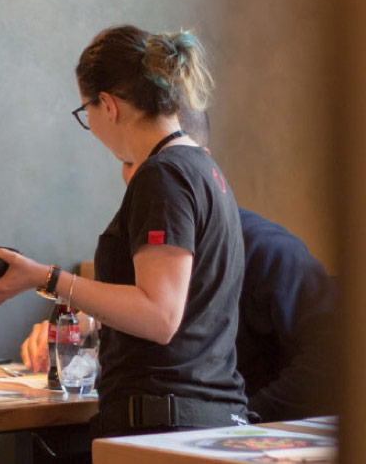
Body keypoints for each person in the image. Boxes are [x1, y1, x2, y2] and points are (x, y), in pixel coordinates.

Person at [0, 25, 250, 437]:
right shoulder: (204, 169)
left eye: (86, 112)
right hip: (208, 416)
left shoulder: (162, 176)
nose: (91, 125)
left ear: (109, 106)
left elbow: (159, 316)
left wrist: (47, 279)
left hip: (162, 425)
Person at [21, 109, 336, 424]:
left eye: (147, 164)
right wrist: (81, 328)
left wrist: (248, 420)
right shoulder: (139, 249)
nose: (136, 178)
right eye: (127, 163)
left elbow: (336, 354)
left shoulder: (270, 250)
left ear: (199, 163)